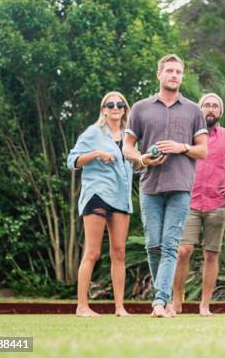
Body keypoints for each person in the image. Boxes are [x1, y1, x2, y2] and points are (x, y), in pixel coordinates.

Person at [122, 54, 208, 318]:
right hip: (149, 187)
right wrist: (141, 158)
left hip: (181, 187)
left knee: (170, 245)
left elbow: (203, 150)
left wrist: (182, 147)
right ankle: (166, 302)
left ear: (182, 77)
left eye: (178, 72)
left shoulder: (193, 110)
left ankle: (159, 301)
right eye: (169, 71)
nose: (174, 75)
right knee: (153, 245)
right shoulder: (140, 108)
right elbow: (127, 147)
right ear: (159, 74)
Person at [67, 91, 135, 318]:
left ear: (124, 109)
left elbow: (136, 165)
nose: (115, 107)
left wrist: (146, 161)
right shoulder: (92, 133)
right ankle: (82, 306)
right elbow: (72, 161)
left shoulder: (130, 137)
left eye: (120, 104)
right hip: (96, 193)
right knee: (93, 251)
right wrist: (97, 153)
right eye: (110, 104)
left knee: (119, 252)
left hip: (121, 197)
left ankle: (119, 307)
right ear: (103, 109)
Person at [169, 93, 225, 317]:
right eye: (206, 105)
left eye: (215, 106)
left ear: (220, 112)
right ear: (199, 109)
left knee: (211, 254)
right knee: (183, 251)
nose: (211, 109)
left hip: (217, 203)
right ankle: (176, 300)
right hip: (189, 201)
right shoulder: (187, 136)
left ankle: (204, 305)